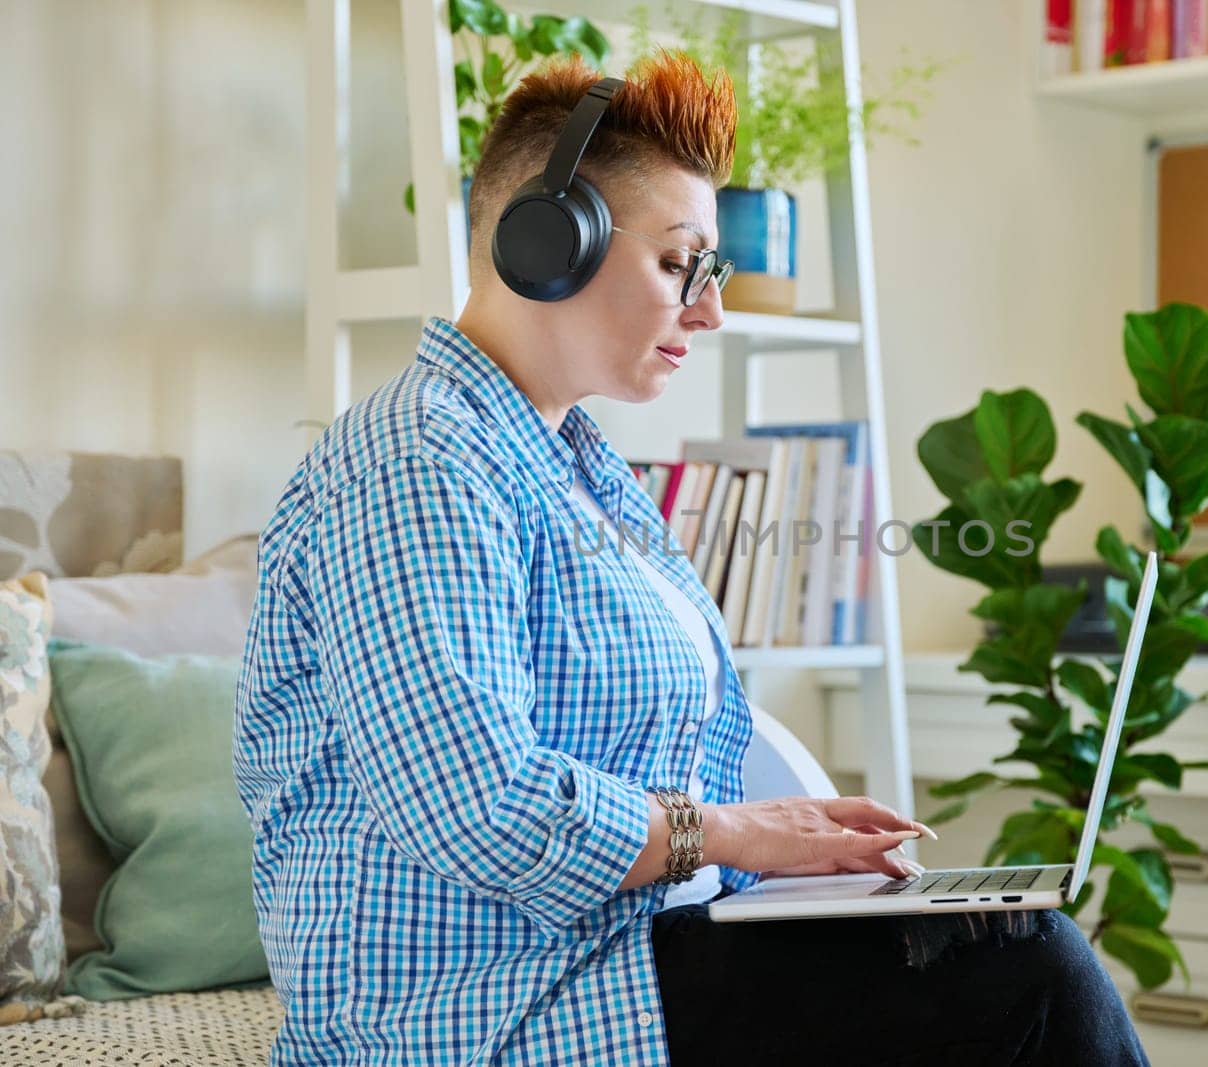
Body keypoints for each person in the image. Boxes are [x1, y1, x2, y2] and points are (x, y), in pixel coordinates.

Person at [233, 52, 1149, 1066]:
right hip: (489, 1011)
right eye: (680, 265)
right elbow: (473, 805)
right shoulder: (416, 459)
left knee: (1004, 938)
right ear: (548, 242)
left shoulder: (581, 467)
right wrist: (731, 834)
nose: (708, 310)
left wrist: (790, 852)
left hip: (623, 953)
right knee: (1033, 977)